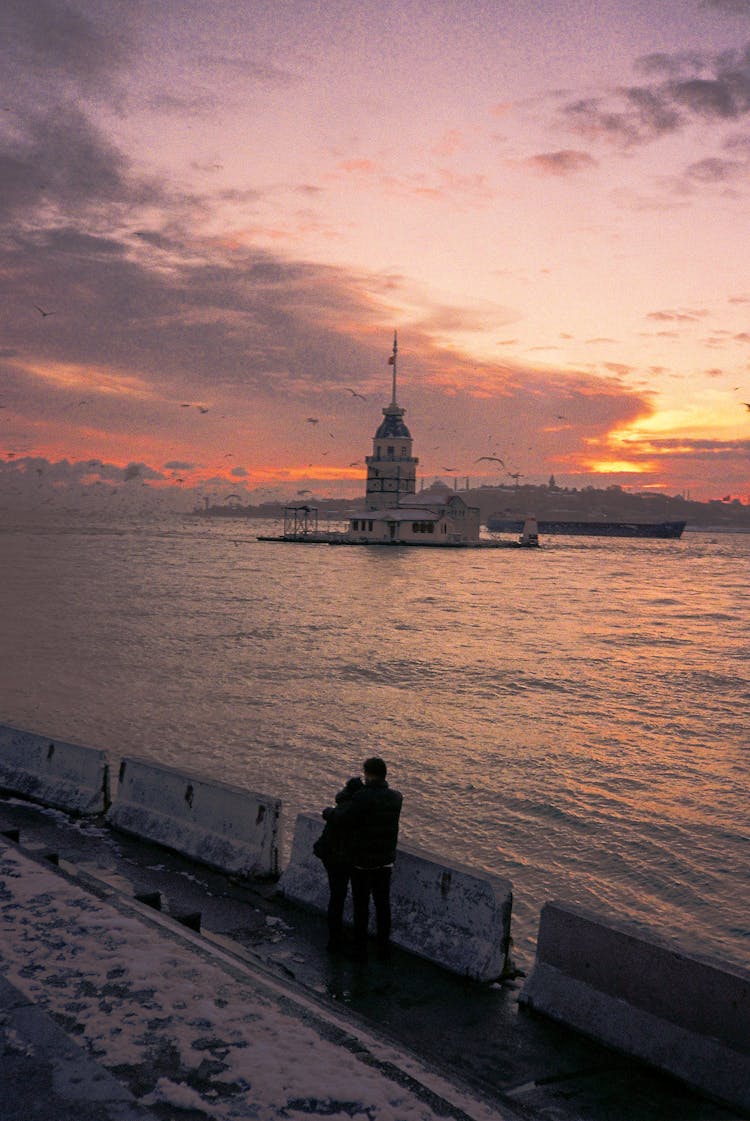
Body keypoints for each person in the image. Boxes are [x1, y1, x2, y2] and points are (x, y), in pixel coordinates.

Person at [326, 756, 402, 962]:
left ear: (368, 774)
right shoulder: (397, 798)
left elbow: (344, 817)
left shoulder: (362, 798)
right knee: (382, 905)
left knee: (361, 905)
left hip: (362, 862)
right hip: (385, 861)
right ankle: (383, 948)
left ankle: (360, 949)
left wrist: (328, 812)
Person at [316, 774, 363, 953]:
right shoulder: (352, 810)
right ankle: (336, 938)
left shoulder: (340, 804)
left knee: (336, 897)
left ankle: (334, 937)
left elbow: (330, 816)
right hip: (342, 859)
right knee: (340, 897)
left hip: (330, 856)